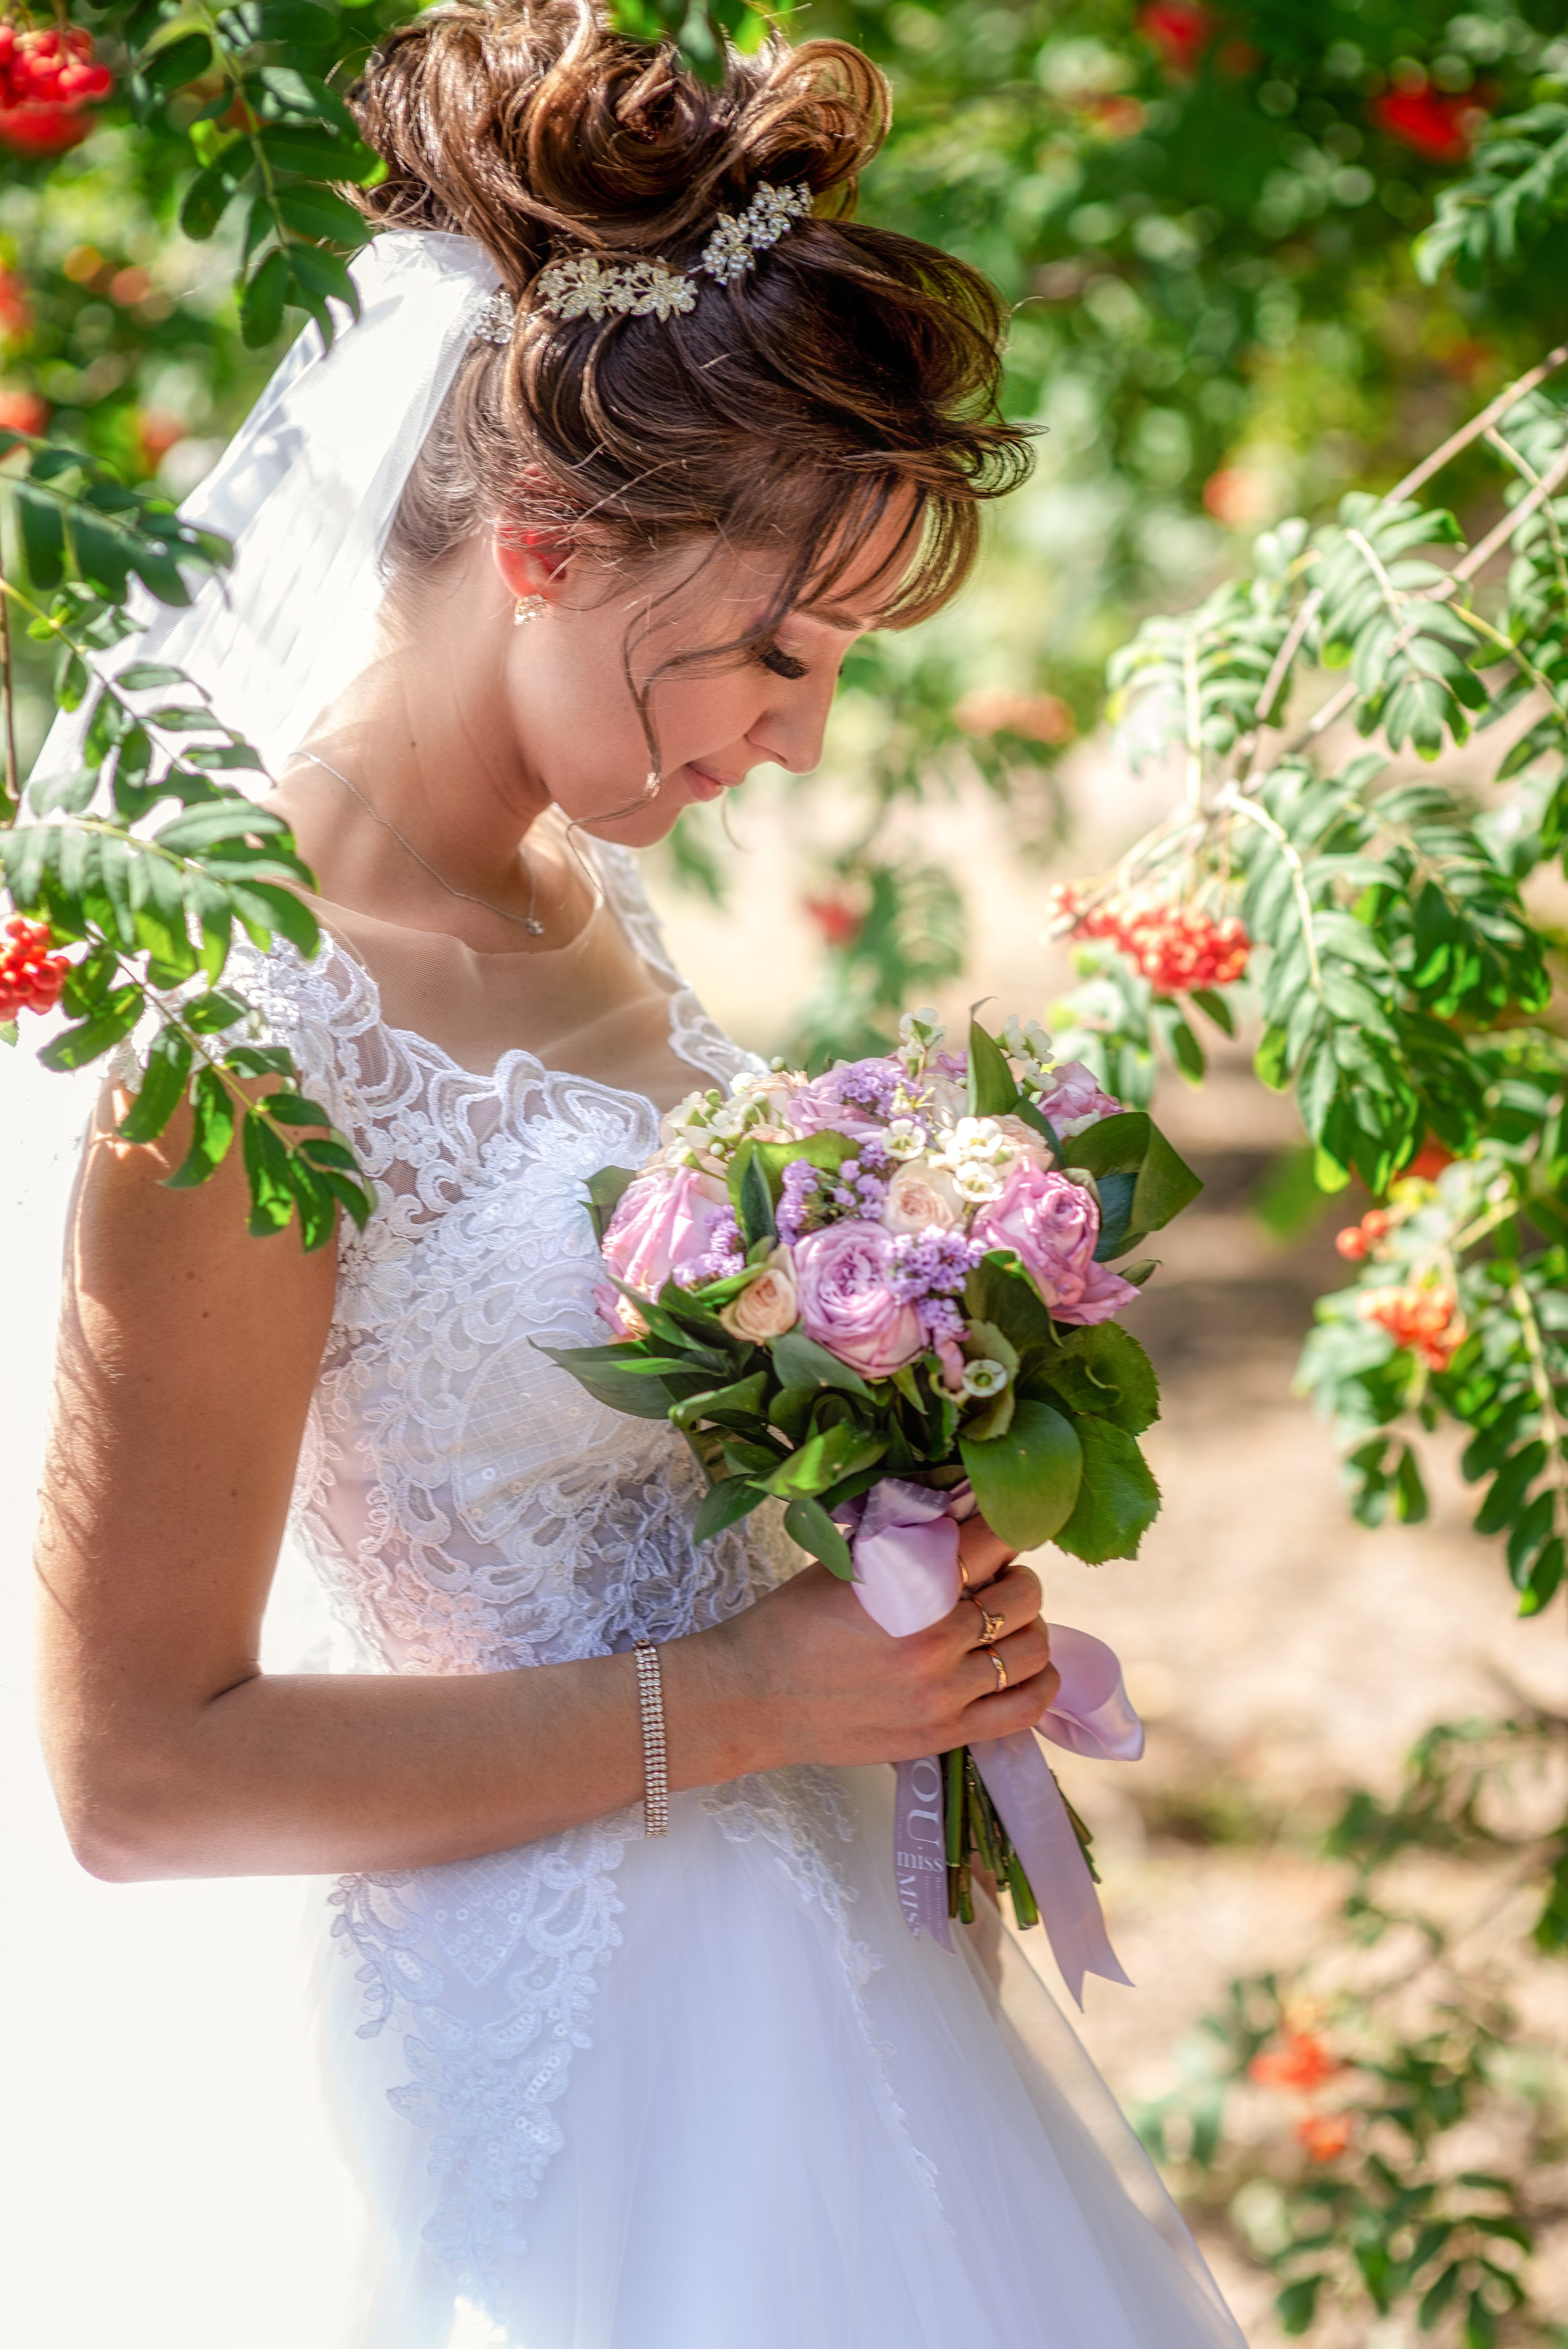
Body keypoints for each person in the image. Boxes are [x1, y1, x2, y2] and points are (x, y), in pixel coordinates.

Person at [33, 6, 1247, 2343]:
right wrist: (759, 1702)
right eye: (772, 652)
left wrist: (909, 1492)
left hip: (824, 1983)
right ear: (547, 552)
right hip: (561, 2102)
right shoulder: (235, 1025)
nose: (797, 733)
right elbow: (135, 1773)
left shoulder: (589, 911)